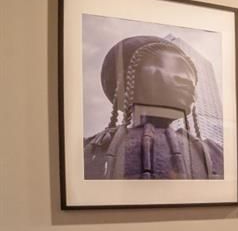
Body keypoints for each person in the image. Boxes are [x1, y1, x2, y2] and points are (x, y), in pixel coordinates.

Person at [83, 35, 224, 180]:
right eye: (172, 67)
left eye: (191, 75)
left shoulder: (216, 152)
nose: (188, 80)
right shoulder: (91, 148)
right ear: (127, 78)